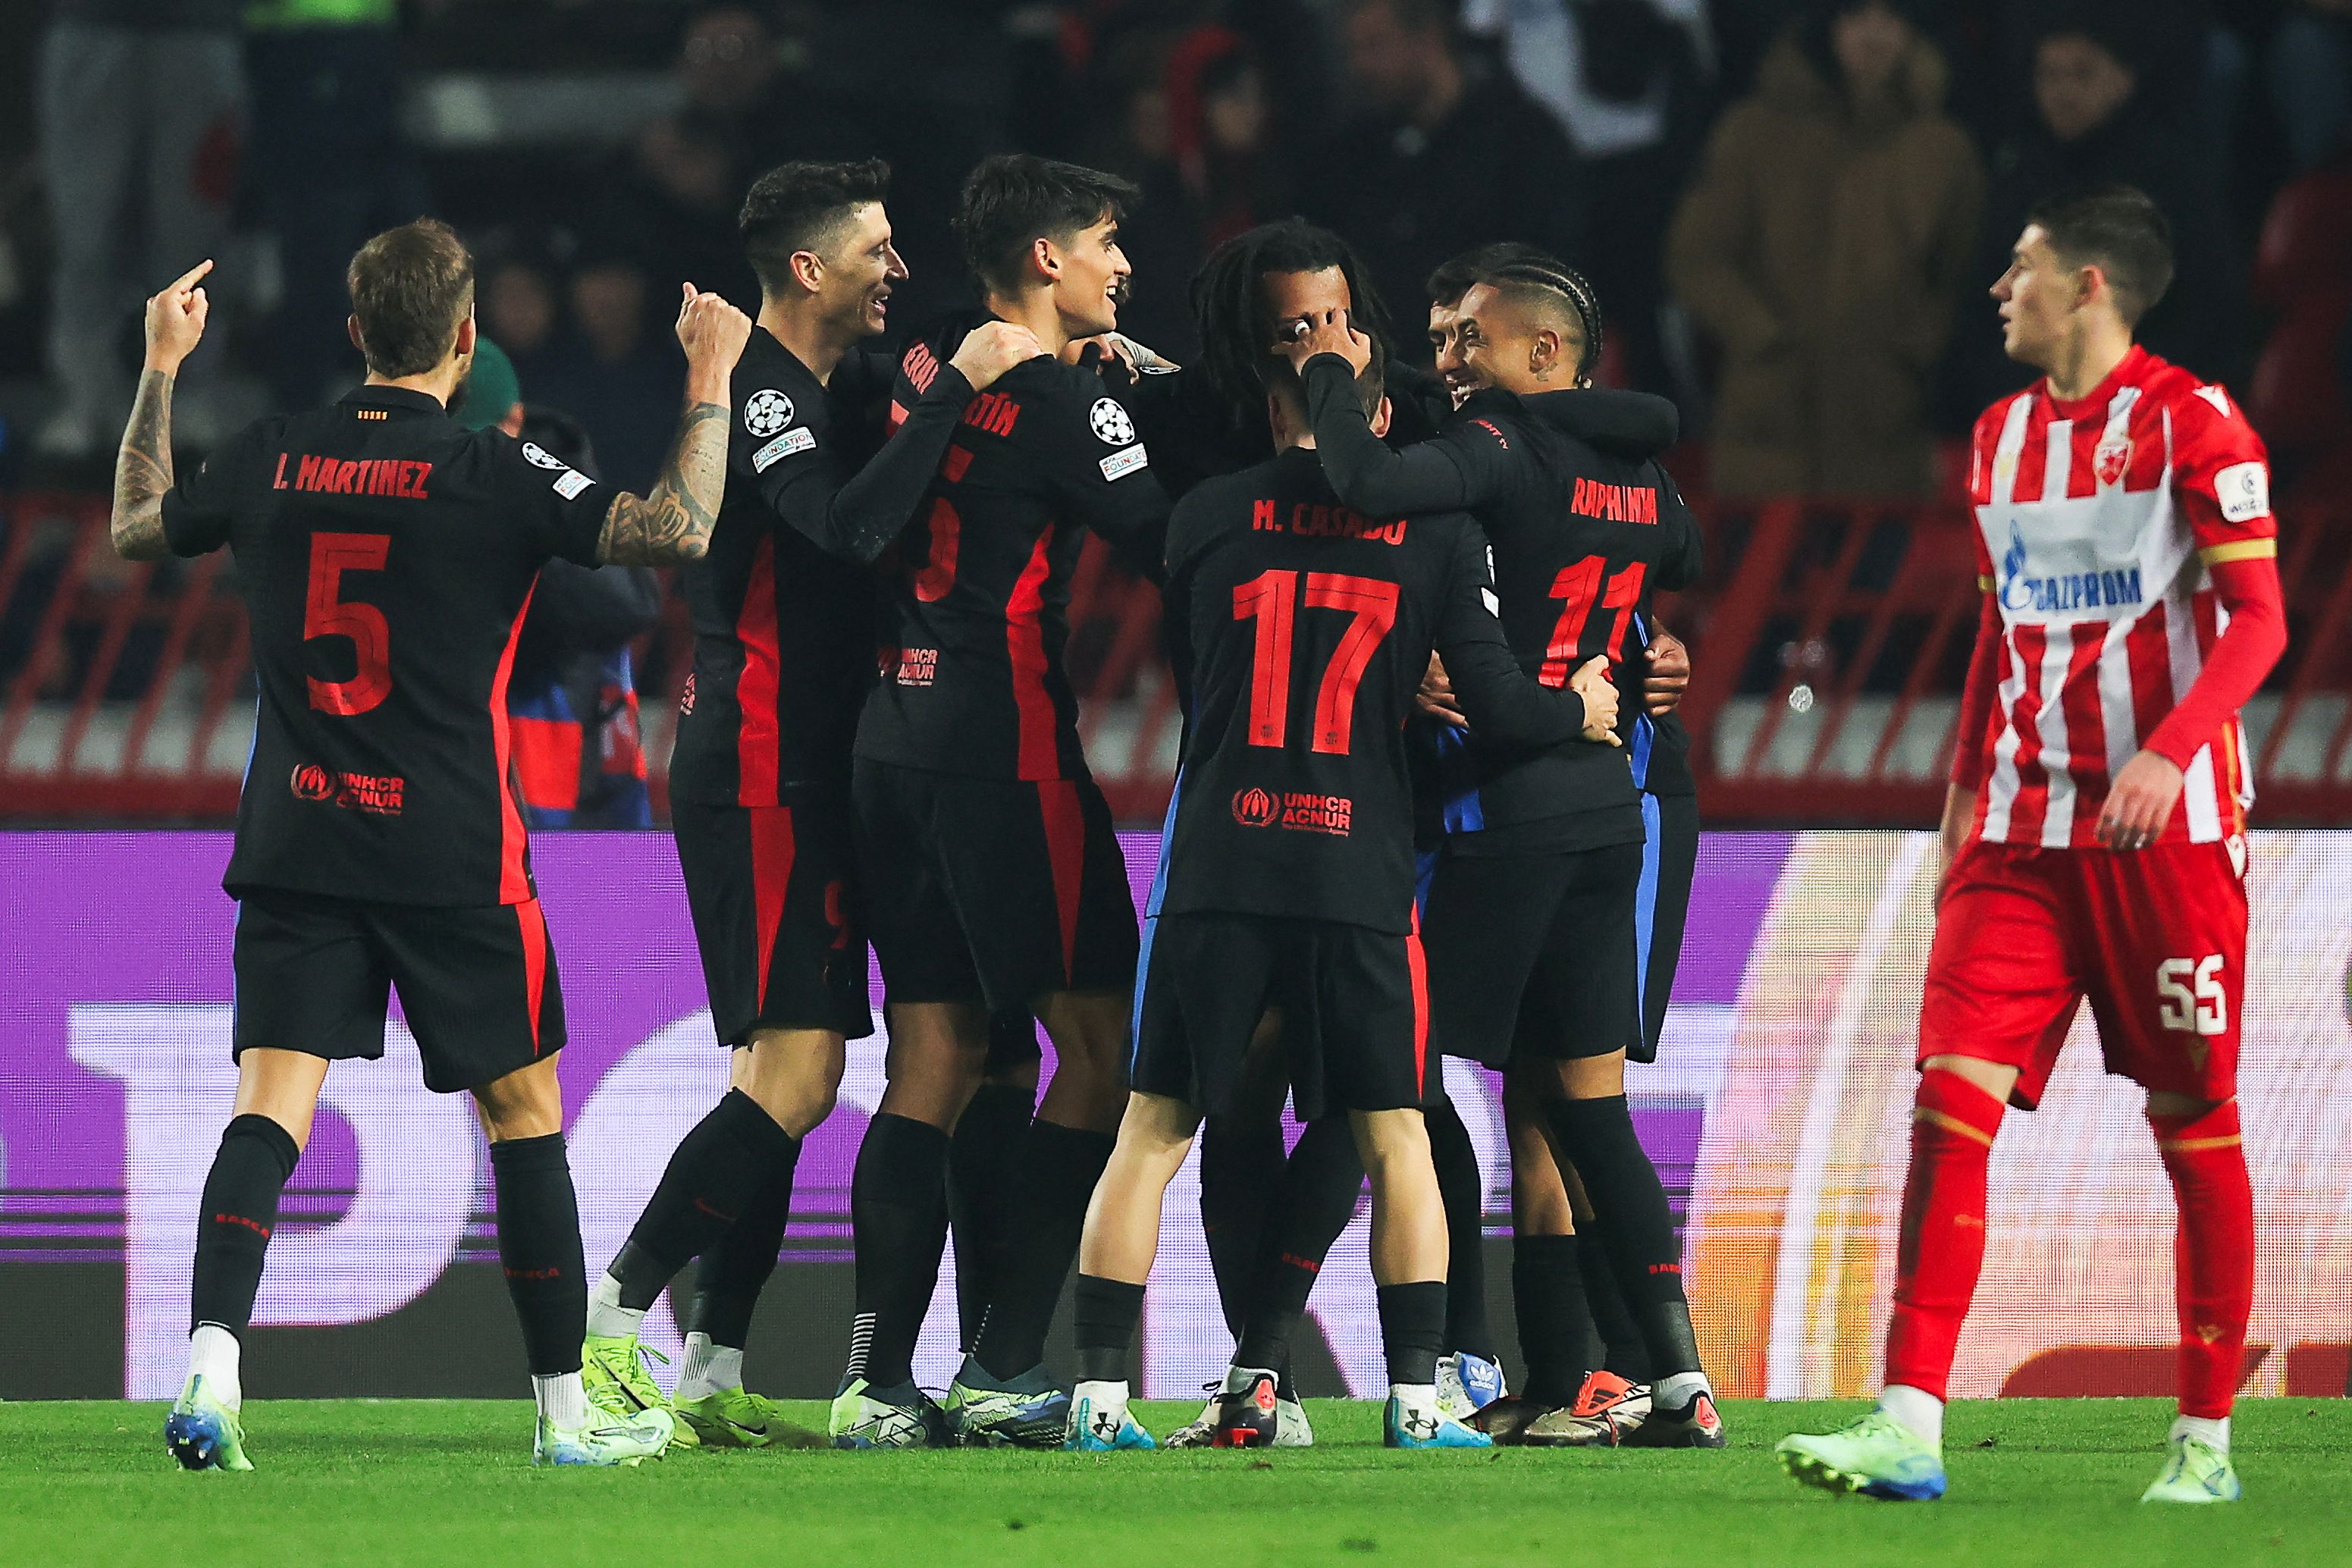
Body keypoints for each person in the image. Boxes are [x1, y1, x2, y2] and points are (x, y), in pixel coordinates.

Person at [118, 220, 752, 1467]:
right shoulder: (490, 471)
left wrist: (160, 366)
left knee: (268, 1109)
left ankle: (208, 1370)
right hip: (453, 847)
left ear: (357, 334)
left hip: (299, 835)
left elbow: (139, 526)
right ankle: (564, 1418)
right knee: (523, 1119)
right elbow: (676, 532)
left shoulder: (273, 454)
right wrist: (708, 378)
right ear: (467, 338)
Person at [1777, 184, 2287, 1504]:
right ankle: (1906, 1422)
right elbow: (2009, 637)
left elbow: (2258, 622)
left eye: (2021, 268)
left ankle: (2204, 1440)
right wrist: (1957, 801)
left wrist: (2167, 752)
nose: (1999, 289)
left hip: (2163, 836)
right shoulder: (1999, 436)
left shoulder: (2194, 421)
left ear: (2091, 287)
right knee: (1948, 1101)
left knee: (2194, 1123)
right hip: (2016, 827)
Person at [567, 160, 1042, 1449]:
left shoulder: (839, 384)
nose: (899, 270)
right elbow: (838, 529)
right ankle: (606, 1330)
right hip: (763, 754)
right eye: (876, 250)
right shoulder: (768, 392)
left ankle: (715, 1359)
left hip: (819, 758)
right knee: (796, 1069)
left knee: (791, 1072)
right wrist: (951, 405)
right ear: (807, 269)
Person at [1065, 334, 1610, 1453]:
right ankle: (1417, 1403)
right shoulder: (1436, 531)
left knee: (1152, 1133)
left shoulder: (1205, 515)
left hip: (1221, 857)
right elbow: (1498, 704)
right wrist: (1583, 712)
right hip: (1356, 863)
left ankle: (1097, 1401)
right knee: (1394, 1135)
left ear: (1266, 411)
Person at [1282, 253, 1720, 1448]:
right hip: (1600, 811)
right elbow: (1673, 554)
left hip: (1503, 809)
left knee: (1382, 1079)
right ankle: (1657, 1383)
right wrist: (1632, 645)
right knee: (1574, 1110)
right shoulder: (1635, 465)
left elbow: (1366, 478)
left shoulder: (1503, 451)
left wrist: (1325, 370)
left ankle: (1269, 1367)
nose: (1448, 364)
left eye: (1471, 341)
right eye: (1441, 340)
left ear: (1542, 353)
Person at [834, 154, 1173, 1449]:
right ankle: (1003, 1362)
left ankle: (874, 1380)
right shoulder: (1061, 402)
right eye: (1102, 241)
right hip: (1005, 752)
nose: (1120, 265)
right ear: (1046, 261)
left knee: (935, 1059)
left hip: (889, 741)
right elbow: (1171, 542)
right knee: (1097, 1051)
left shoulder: (929, 361)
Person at [1665, 0, 1984, 496]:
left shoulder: (1943, 149)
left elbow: (1962, 277)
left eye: (1891, 18)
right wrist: (1760, 336)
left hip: (1885, 430)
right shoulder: (1753, 132)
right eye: (1857, 16)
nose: (1874, 35)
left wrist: (1913, 343)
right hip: (1767, 427)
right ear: (1828, 28)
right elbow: (1697, 257)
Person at [1303, 0, 1586, 357]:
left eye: (1374, 45)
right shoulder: (1351, 159)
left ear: (1428, 39)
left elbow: (1549, 266)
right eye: (1353, 51)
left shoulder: (1520, 141)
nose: (1360, 68)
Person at [36, 0, 242, 460]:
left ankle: (189, 396)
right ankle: (88, 398)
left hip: (197, 33)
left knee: (193, 230)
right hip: (88, 25)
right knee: (84, 229)